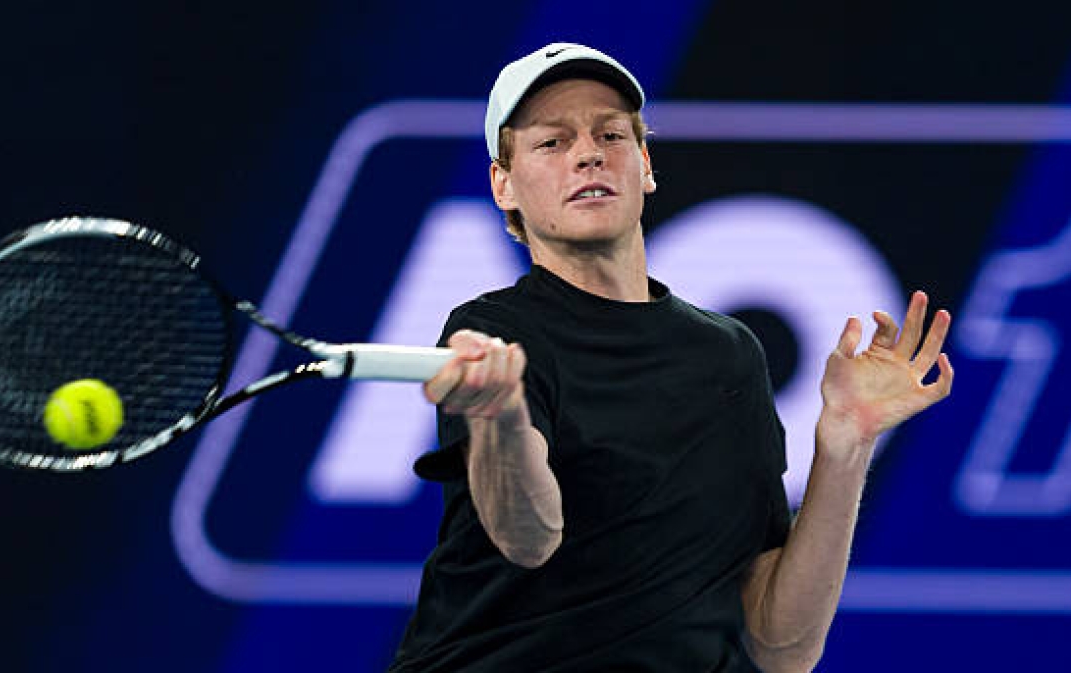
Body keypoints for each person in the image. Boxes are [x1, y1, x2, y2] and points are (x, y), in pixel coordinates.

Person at [388, 43, 953, 672]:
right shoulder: (493, 332)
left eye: (611, 134)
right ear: (504, 185)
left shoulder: (728, 356)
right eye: (552, 142)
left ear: (646, 165)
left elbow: (781, 648)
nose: (588, 153)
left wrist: (845, 445)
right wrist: (503, 419)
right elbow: (528, 537)